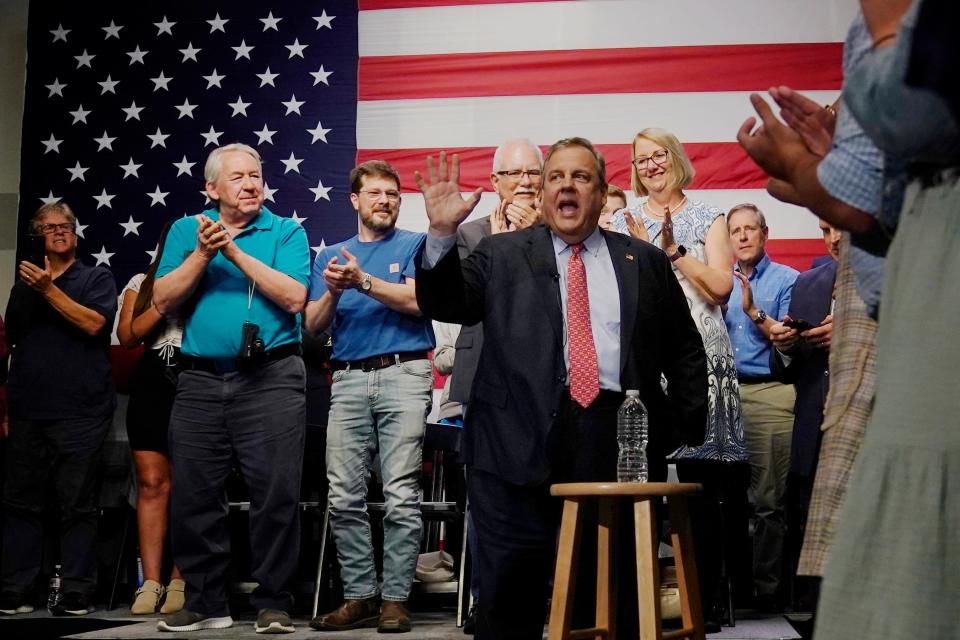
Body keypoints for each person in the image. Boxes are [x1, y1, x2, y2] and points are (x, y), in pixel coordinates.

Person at [414, 139, 708, 640]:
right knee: (509, 601)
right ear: (545, 192)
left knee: (611, 598)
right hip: (512, 446)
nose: (566, 186)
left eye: (581, 177)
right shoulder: (501, 253)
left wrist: (676, 428)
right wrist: (441, 233)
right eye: (555, 177)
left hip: (615, 446)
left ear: (600, 193)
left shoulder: (644, 261)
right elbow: (449, 303)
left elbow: (685, 349)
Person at [808, 2, 960, 638]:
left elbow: (913, 106)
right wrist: (827, 186)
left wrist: (889, 21)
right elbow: (877, 201)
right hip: (916, 264)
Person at [152, 143, 310, 634]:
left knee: (275, 494)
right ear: (211, 188)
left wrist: (234, 252)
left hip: (272, 379)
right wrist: (202, 253)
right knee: (195, 496)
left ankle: (273, 602)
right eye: (238, 177)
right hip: (200, 380)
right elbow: (161, 299)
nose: (251, 184)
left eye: (256, 175)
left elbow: (294, 297)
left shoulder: (287, 230)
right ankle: (205, 601)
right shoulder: (186, 230)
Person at [612, 128, 746, 622]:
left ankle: (704, 600)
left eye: (658, 155)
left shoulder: (709, 217)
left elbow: (720, 289)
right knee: (638, 477)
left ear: (677, 159)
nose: (650, 165)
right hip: (646, 361)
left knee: (702, 487)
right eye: (641, 159)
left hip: (703, 362)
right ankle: (637, 597)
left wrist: (670, 252)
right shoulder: (621, 220)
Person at [305, 160, 435, 635]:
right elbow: (313, 326)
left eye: (393, 194)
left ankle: (395, 601)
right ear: (355, 201)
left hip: (404, 372)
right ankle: (359, 596)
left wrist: (362, 282)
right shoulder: (331, 256)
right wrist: (335, 291)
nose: (385, 200)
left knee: (401, 493)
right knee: (343, 495)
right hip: (349, 378)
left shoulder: (416, 245)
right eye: (375, 193)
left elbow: (421, 302)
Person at [0, 201, 117, 617]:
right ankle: (17, 588)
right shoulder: (21, 289)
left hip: (81, 410)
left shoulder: (95, 277)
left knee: (77, 503)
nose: (59, 231)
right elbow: (12, 341)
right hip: (29, 407)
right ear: (38, 237)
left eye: (65, 225)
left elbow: (93, 325)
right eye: (49, 227)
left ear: (76, 233)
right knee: (22, 502)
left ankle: (76, 591)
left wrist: (48, 289)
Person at [723, 203, 799, 610]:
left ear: (764, 234)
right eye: (736, 230)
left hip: (769, 393)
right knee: (724, 498)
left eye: (751, 229)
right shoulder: (719, 280)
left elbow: (788, 339)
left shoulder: (789, 279)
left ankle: (766, 592)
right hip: (721, 395)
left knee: (768, 500)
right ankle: (727, 588)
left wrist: (754, 310)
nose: (743, 236)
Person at [768, 219, 840, 610]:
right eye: (826, 229)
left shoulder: (896, 280)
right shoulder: (809, 283)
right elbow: (787, 369)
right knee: (816, 531)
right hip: (816, 427)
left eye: (841, 228)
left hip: (872, 429)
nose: (835, 239)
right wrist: (784, 345)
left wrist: (850, 331)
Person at [116, 221, 185, 615]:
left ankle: (181, 578)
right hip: (152, 384)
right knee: (152, 483)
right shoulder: (142, 281)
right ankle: (151, 582)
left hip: (195, 379)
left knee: (192, 485)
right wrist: (162, 301)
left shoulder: (208, 278)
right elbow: (127, 337)